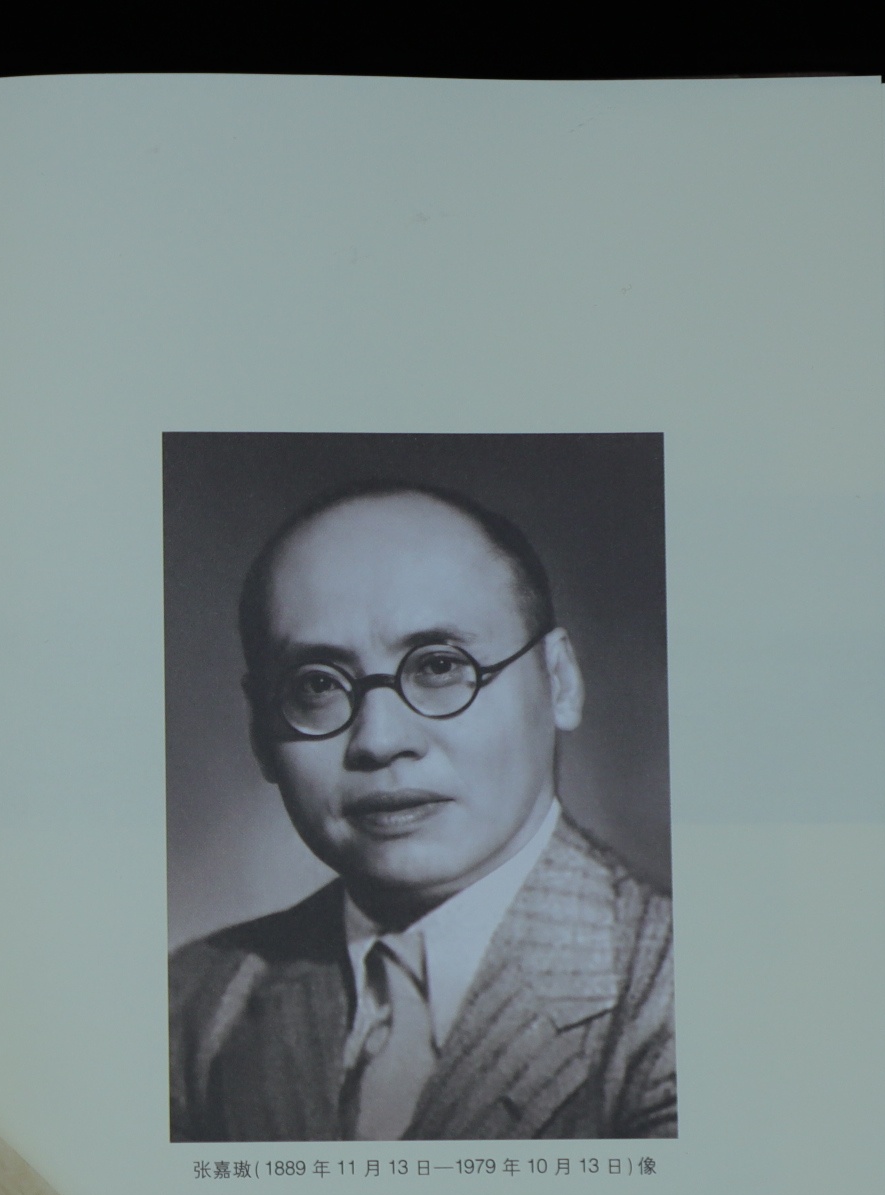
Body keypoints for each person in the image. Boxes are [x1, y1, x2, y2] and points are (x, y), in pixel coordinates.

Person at [170, 486, 676, 1141]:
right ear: (260, 732)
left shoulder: (683, 994)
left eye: (439, 666)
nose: (380, 740)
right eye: (318, 684)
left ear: (559, 681)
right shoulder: (192, 1006)